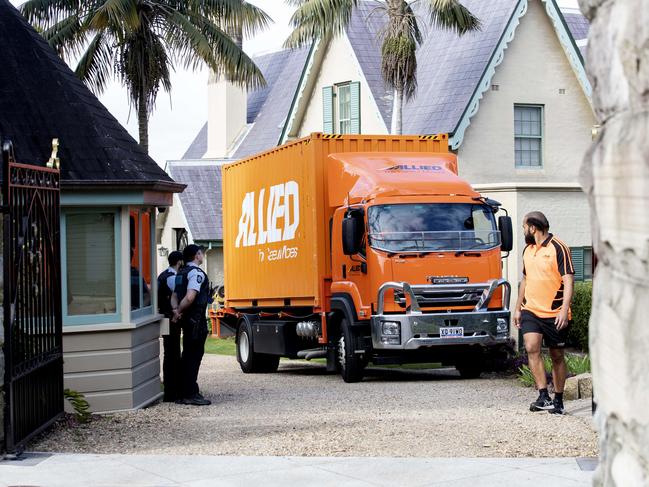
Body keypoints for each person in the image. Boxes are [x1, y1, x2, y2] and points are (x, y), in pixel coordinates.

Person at [514, 211, 575, 415]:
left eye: (524, 227)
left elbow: (568, 280)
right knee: (531, 347)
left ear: (532, 227)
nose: (523, 230)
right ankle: (543, 395)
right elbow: (525, 279)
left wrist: (564, 309)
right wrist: (517, 308)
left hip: (554, 312)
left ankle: (558, 399)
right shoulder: (528, 250)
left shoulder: (559, 247)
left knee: (557, 355)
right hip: (531, 310)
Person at [171, 244, 212, 406]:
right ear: (197, 255)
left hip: (185, 320)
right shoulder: (196, 273)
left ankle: (184, 391)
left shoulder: (181, 272)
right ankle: (190, 393)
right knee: (193, 356)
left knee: (187, 354)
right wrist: (180, 310)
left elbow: (174, 295)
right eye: (201, 253)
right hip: (196, 320)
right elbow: (190, 297)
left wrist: (176, 310)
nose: (202, 256)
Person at [157, 250, 183, 402]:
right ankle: (172, 390)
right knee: (173, 353)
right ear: (179, 262)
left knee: (169, 353)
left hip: (164, 316)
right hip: (171, 318)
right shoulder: (172, 278)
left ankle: (170, 388)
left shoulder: (162, 275)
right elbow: (179, 295)